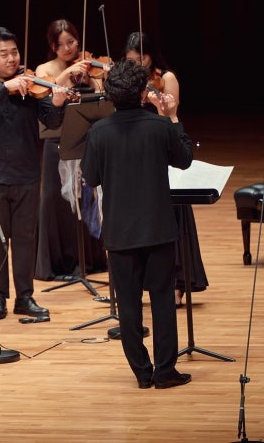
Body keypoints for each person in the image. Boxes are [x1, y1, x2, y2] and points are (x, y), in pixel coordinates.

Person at [81, 58, 193, 389]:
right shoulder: (160, 126)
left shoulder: (98, 132)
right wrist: (173, 116)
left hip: (120, 232)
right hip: (158, 228)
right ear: (144, 92)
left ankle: (142, 373)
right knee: (162, 300)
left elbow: (90, 177)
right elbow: (184, 160)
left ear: (110, 94)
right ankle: (165, 372)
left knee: (129, 306)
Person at [0, 26, 68, 320]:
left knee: (25, 238)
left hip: (27, 174)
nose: (12, 59)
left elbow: (51, 120)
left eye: (15, 52)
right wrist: (4, 89)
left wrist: (57, 103)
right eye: (4, 54)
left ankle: (25, 297)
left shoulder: (31, 84)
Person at [123, 31, 208, 308]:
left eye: (141, 59)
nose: (137, 65)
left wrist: (155, 103)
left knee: (172, 215)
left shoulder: (166, 78)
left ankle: (178, 283)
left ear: (151, 55)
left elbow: (170, 116)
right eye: (131, 60)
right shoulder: (128, 80)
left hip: (163, 146)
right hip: (138, 151)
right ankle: (146, 283)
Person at [33, 19, 107, 282]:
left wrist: (94, 79)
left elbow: (101, 98)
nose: (67, 48)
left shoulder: (88, 65)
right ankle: (57, 264)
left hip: (86, 142)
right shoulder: (44, 69)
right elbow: (47, 103)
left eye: (71, 42)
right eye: (60, 44)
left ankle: (88, 261)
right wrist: (67, 75)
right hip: (56, 144)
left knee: (87, 199)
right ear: (52, 46)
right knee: (56, 202)